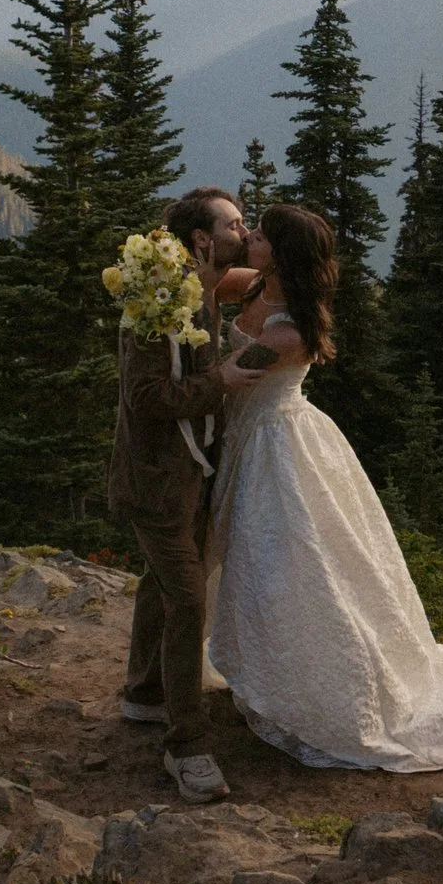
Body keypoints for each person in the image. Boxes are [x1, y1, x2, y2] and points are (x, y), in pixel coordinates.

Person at [206, 203, 443, 770]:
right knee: (260, 561)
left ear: (281, 253)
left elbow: (230, 379)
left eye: (260, 234)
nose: (251, 238)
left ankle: (315, 683)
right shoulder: (256, 283)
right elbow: (210, 289)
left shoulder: (288, 332)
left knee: (283, 565)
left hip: (274, 445)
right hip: (249, 438)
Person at [108, 185, 266, 802]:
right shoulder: (158, 300)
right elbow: (143, 399)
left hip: (192, 476)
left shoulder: (202, 286)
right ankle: (187, 746)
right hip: (156, 483)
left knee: (164, 583)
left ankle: (144, 693)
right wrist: (221, 381)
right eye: (236, 224)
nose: (244, 231)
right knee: (186, 600)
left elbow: (262, 275)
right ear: (203, 240)